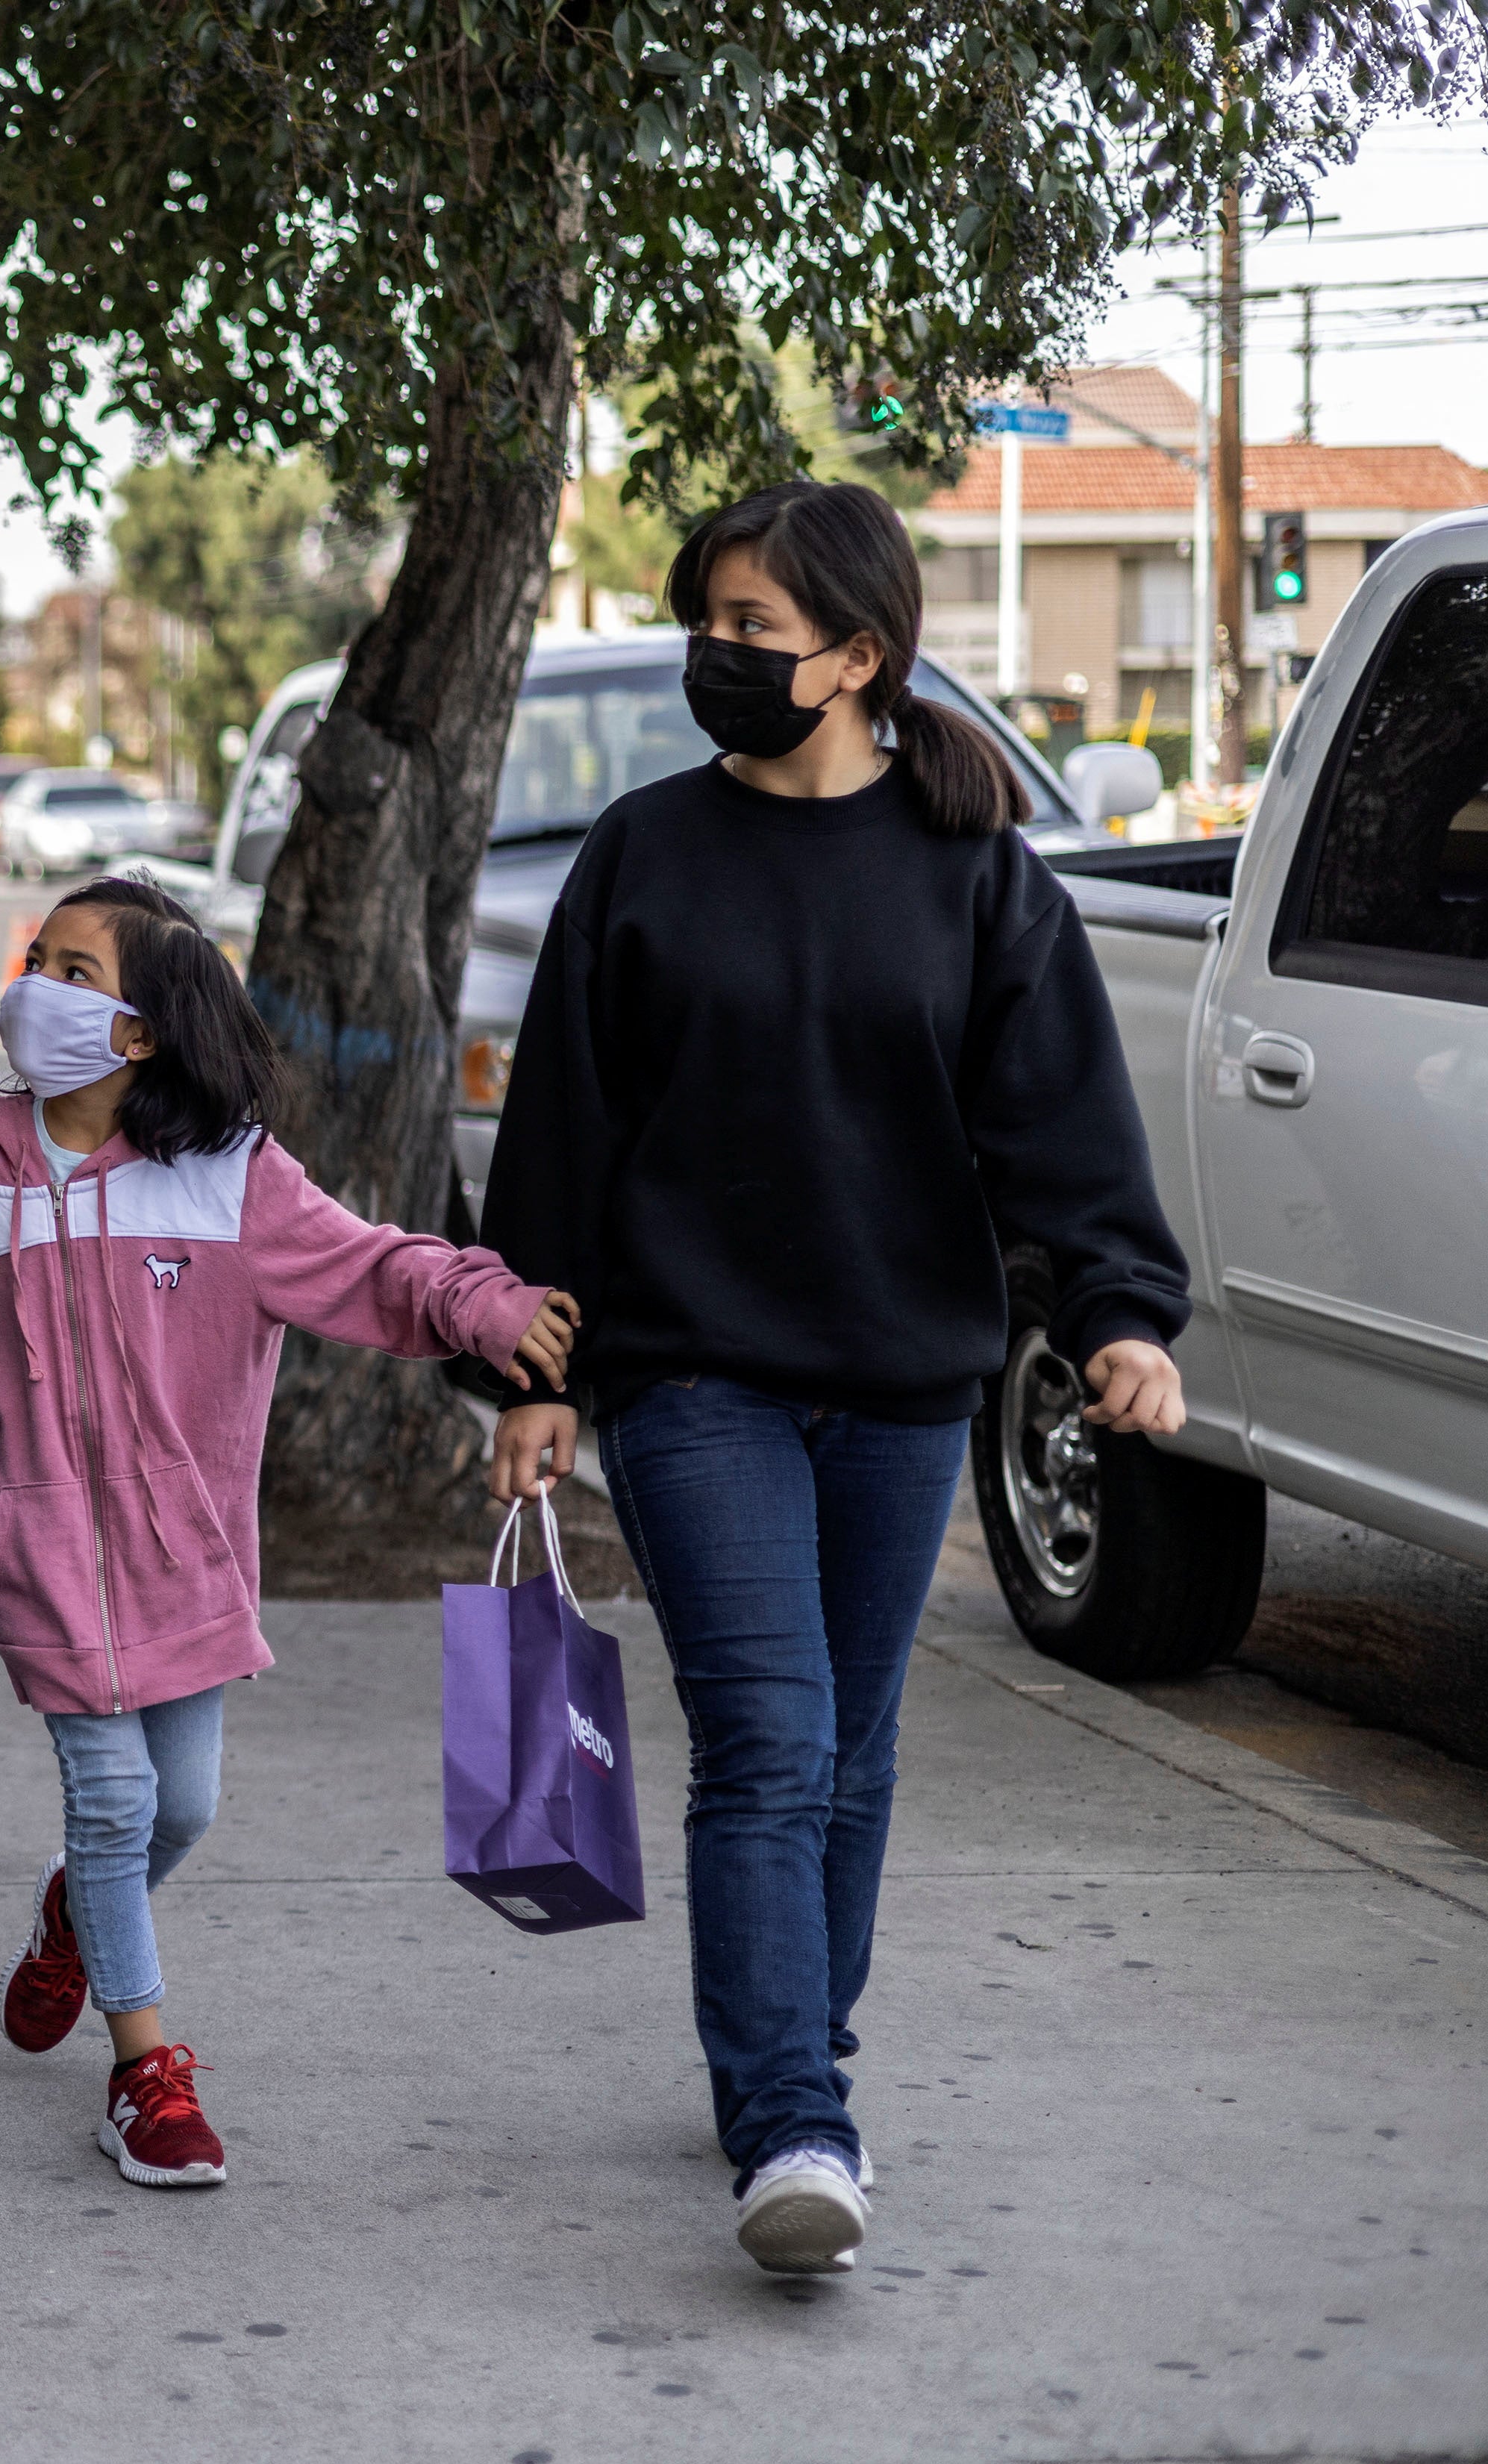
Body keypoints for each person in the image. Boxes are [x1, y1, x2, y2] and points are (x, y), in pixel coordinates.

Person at [479, 478, 1191, 2277]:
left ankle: (790, 2050)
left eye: (748, 633)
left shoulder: (973, 875)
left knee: (853, 1757)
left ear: (859, 657)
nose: (711, 658)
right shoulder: (643, 855)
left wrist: (1119, 1316)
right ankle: (794, 2119)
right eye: (704, 624)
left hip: (897, 1382)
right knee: (772, 1744)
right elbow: (566, 1128)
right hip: (690, 1378)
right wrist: (531, 1361)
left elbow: (1060, 1132)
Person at [0, 881, 577, 2186]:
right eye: (34, 956)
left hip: (188, 1553)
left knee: (185, 1810)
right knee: (114, 1802)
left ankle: (71, 1923)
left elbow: (376, 1264)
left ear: (140, 1032)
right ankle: (143, 2072)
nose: (34, 983)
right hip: (40, 1548)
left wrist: (482, 1304)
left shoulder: (231, 1180)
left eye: (75, 967)